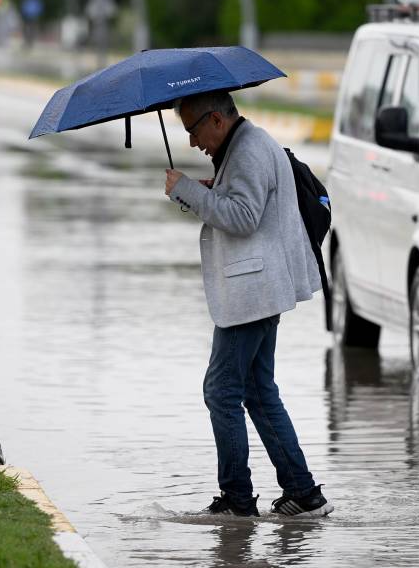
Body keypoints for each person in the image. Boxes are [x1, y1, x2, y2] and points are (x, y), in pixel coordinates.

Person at [163, 90, 333, 519]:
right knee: (258, 392)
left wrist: (185, 189)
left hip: (251, 293)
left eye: (193, 130)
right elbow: (243, 204)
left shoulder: (248, 151)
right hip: (258, 287)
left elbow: (242, 218)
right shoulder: (247, 144)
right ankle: (303, 494)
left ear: (216, 120)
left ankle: (237, 500)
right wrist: (207, 191)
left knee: (220, 391)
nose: (192, 142)